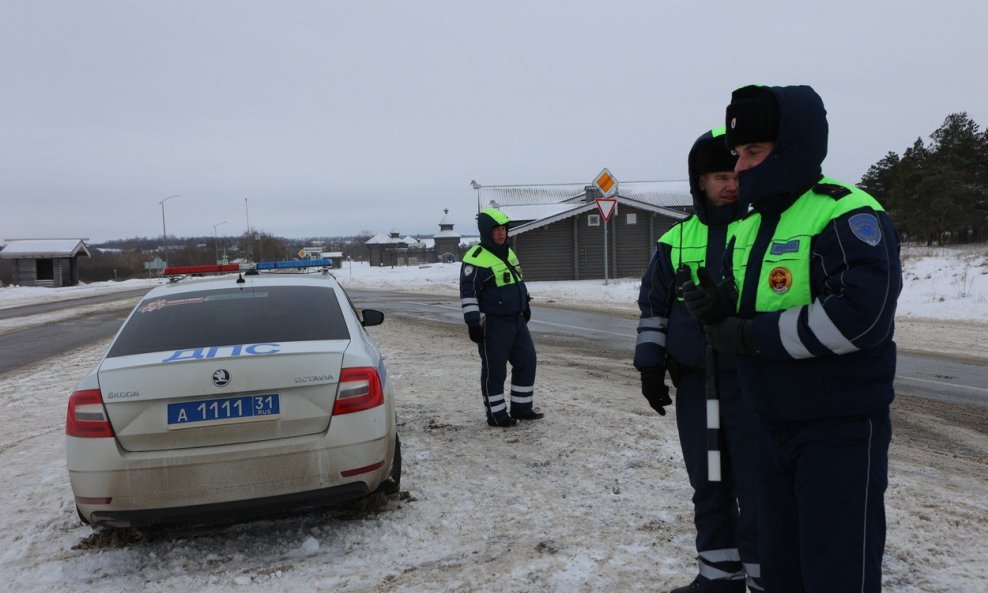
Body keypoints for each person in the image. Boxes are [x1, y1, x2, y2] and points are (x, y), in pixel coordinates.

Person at [684, 84, 902, 592]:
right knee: (780, 573)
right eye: (737, 155)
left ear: (792, 148)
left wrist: (749, 335)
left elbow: (859, 319)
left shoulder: (847, 212)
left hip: (837, 432)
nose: (739, 168)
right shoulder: (751, 224)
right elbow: (753, 306)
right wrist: (720, 308)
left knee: (836, 574)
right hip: (770, 424)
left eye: (753, 152)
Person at [635, 127, 762, 593]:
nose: (730, 184)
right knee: (709, 484)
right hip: (696, 389)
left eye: (735, 174)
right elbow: (654, 310)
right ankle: (718, 578)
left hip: (752, 386)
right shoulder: (675, 241)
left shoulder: (763, 230)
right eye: (718, 176)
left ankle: (765, 578)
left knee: (757, 487)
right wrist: (649, 365)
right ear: (700, 182)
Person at [460, 208, 543, 427]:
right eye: (496, 229)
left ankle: (522, 408)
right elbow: (469, 294)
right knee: (495, 370)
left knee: (527, 361)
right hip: (493, 324)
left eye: (504, 229)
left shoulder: (508, 252)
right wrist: (473, 323)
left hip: (516, 321)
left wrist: (524, 305)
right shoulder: (474, 258)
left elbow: (517, 282)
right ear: (486, 232)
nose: (501, 233)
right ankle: (496, 415)